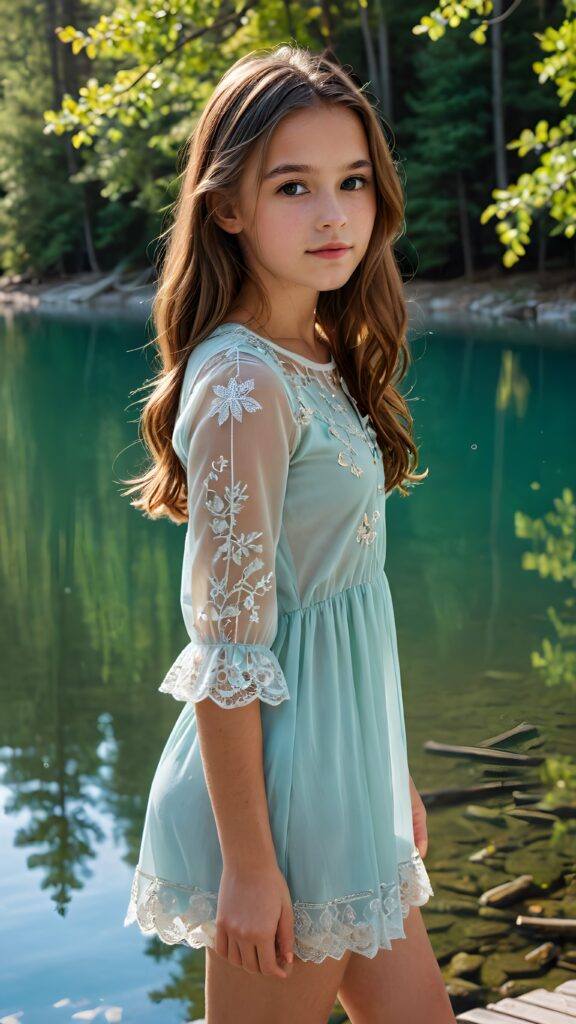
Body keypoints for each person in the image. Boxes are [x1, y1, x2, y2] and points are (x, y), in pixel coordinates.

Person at [121, 42, 457, 1024]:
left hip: (342, 781)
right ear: (228, 206)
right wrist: (253, 868)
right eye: (294, 186)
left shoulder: (308, 350)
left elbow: (343, 599)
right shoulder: (240, 386)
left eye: (352, 182)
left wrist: (385, 775)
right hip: (285, 804)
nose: (333, 214)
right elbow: (229, 651)